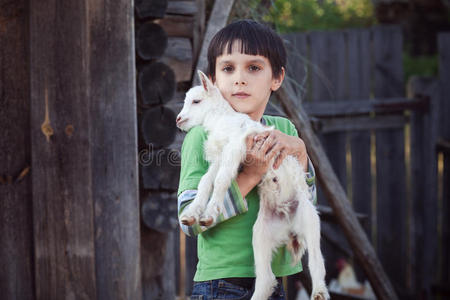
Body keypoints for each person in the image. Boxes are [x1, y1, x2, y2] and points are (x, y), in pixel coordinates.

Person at [177, 19, 317, 300]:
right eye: (228, 68)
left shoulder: (284, 131)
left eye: (253, 68)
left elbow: (304, 200)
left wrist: (300, 152)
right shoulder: (201, 137)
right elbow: (187, 222)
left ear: (276, 78)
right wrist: (251, 175)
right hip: (221, 285)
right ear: (213, 82)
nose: (239, 78)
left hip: (271, 282)